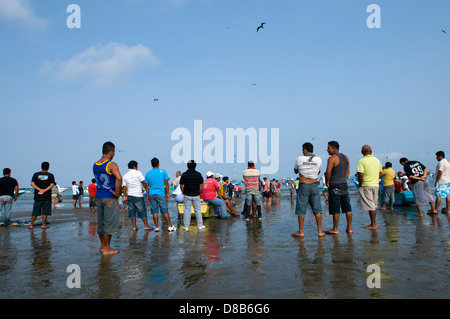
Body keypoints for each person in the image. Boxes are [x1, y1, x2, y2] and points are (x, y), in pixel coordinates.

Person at [93, 141, 122, 255]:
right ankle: (107, 248)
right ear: (111, 152)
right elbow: (119, 178)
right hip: (109, 196)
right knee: (109, 222)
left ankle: (102, 246)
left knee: (101, 222)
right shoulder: (111, 164)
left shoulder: (95, 164)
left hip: (99, 195)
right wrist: (117, 192)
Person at [292, 142, 324, 238]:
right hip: (314, 185)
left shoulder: (299, 159)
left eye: (303, 150)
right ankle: (320, 231)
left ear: (305, 150)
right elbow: (318, 171)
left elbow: (295, 171)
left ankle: (301, 231)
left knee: (301, 209)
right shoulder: (318, 159)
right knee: (317, 209)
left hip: (304, 185)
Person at [324, 141, 353, 235]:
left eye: (328, 148)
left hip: (335, 185)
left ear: (334, 148)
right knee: (347, 207)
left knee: (335, 208)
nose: (327, 150)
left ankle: (335, 228)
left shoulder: (332, 158)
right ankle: (349, 228)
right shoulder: (346, 157)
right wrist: (344, 179)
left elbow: (328, 172)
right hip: (344, 184)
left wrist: (327, 182)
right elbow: (348, 171)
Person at [144, 157, 176, 232]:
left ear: (152, 165)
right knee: (164, 210)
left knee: (154, 211)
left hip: (152, 194)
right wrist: (167, 193)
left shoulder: (148, 173)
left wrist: (147, 195)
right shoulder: (163, 172)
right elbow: (166, 184)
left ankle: (156, 227)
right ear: (158, 164)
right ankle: (170, 226)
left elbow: (146, 186)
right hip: (161, 193)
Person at [357, 145, 382, 229]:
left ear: (362, 152)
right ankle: (373, 223)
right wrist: (375, 180)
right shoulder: (377, 160)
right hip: (375, 184)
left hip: (366, 184)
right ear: (371, 151)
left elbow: (360, 175)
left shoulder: (362, 161)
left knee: (370, 205)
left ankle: (373, 224)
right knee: (373, 205)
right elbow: (380, 173)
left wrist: (360, 184)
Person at [122, 160, 151, 231]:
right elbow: (144, 183)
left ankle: (134, 226)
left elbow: (124, 187)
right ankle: (146, 226)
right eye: (137, 166)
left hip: (130, 195)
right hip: (138, 195)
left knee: (132, 211)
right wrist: (147, 191)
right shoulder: (138, 173)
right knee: (142, 210)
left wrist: (125, 196)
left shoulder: (125, 175)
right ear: (134, 167)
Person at [179, 160, 205, 231]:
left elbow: (181, 185)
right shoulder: (198, 174)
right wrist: (199, 192)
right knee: (197, 210)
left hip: (187, 194)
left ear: (187, 166)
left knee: (187, 210)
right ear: (195, 166)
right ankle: (200, 225)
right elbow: (201, 185)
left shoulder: (184, 174)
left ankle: (186, 226)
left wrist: (183, 191)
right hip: (196, 194)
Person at [29, 162, 55, 229]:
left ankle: (31, 225)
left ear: (41, 167)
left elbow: (32, 184)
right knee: (45, 211)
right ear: (48, 167)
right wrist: (44, 190)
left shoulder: (36, 174)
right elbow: (52, 185)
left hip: (38, 196)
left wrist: (39, 189)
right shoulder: (50, 175)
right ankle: (43, 225)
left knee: (35, 211)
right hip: (46, 196)